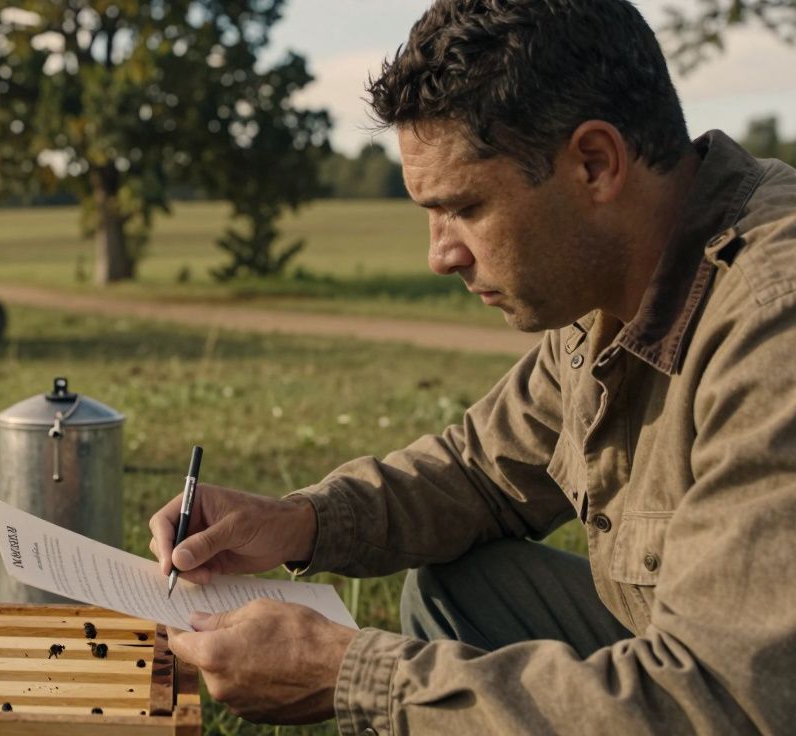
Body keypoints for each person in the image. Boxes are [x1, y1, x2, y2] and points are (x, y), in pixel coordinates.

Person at [149, 0, 796, 733]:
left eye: (463, 207)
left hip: (736, 696)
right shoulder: (615, 283)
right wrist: (297, 523)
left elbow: (727, 700)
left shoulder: (773, 323)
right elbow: (481, 473)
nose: (439, 255)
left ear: (594, 163)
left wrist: (350, 675)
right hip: (702, 665)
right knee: (462, 592)